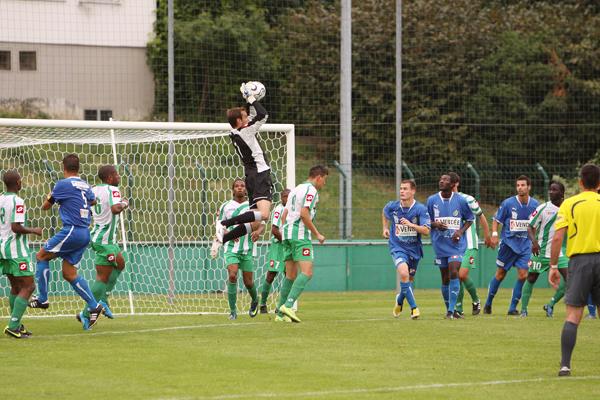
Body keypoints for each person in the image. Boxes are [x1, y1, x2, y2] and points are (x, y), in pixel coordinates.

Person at [28, 154, 105, 328]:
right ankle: (94, 306)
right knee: (69, 273)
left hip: (71, 230)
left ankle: (42, 299)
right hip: (85, 232)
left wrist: (58, 198)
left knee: (41, 256)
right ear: (79, 167)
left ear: (63, 166)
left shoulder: (62, 184)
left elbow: (45, 206)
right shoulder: (85, 184)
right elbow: (93, 201)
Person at [549, 164, 600, 377]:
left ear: (580, 182)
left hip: (579, 261)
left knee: (572, 315)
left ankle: (565, 366)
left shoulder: (569, 203)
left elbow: (558, 237)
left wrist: (553, 267)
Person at [210, 83, 272, 259]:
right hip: (260, 175)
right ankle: (225, 223)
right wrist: (251, 98)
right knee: (265, 214)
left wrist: (247, 100)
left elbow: (253, 115)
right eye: (244, 116)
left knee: (254, 223)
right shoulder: (246, 132)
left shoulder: (236, 131)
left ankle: (222, 239)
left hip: (251, 176)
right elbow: (262, 115)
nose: (247, 118)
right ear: (239, 121)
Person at [75, 165, 129, 329]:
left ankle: (103, 299)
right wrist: (125, 203)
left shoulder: (93, 190)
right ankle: (84, 314)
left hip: (104, 237)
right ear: (110, 177)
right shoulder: (113, 190)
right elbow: (115, 209)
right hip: (105, 240)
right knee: (102, 277)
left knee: (120, 264)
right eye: (117, 175)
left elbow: (88, 211)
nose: (119, 177)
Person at [276, 165, 328, 323]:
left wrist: (287, 232)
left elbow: (284, 215)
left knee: (290, 275)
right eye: (324, 180)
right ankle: (289, 305)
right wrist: (317, 234)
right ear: (318, 176)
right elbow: (304, 214)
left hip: (287, 235)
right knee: (307, 272)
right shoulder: (311, 190)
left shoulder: (295, 190)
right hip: (300, 236)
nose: (324, 184)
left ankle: (280, 314)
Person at [484, 175, 539, 316]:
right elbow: (496, 220)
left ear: (529, 187)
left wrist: (533, 241)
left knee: (523, 276)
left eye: (523, 185)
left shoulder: (535, 205)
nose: (520, 188)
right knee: (500, 275)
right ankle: (488, 304)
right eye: (518, 185)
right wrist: (495, 235)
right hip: (508, 245)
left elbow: (534, 226)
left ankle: (512, 309)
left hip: (525, 246)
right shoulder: (508, 203)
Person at [426, 174, 475, 319]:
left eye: (446, 180)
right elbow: (425, 220)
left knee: (454, 272)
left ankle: (451, 311)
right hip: (440, 245)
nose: (441, 181)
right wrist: (435, 224)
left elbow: (470, 219)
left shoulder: (460, 200)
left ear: (453, 184)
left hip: (456, 245)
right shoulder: (432, 200)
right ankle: (450, 309)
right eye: (441, 179)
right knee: (445, 278)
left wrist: (460, 231)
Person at [1, 171, 43, 338]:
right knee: (29, 286)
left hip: (2, 248)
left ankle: (16, 324)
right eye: (21, 181)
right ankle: (12, 325)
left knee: (16, 287)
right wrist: (34, 230)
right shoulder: (18, 201)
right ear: (18, 183)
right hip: (16, 250)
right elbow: (16, 227)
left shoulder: (0, 198)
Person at [383, 180, 430, 320]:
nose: (401, 191)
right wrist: (385, 228)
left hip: (414, 250)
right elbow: (385, 211)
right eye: (401, 188)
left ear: (413, 191)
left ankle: (399, 301)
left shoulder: (420, 209)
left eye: (405, 189)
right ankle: (414, 308)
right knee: (403, 274)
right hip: (397, 247)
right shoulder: (393, 206)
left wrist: (411, 225)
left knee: (408, 280)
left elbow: (426, 231)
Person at [519, 182, 568, 317]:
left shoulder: (568, 208)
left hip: (560, 252)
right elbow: (530, 226)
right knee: (531, 278)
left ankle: (550, 305)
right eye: (550, 190)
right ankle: (523, 310)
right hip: (540, 251)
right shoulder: (543, 208)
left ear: (562, 193)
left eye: (555, 190)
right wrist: (533, 241)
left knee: (570, 279)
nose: (551, 192)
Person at [217, 179, 263, 319]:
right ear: (232, 190)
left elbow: (260, 223)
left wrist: (258, 231)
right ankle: (233, 311)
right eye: (237, 186)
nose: (239, 188)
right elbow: (219, 225)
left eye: (242, 186)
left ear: (246, 189)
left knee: (248, 282)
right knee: (232, 275)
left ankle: (255, 300)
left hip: (248, 248)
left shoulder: (253, 206)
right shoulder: (225, 206)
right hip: (231, 247)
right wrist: (227, 234)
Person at [448, 172, 492, 316]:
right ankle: (458, 309)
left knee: (461, 274)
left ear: (456, 184)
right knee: (456, 276)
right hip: (454, 245)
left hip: (470, 243)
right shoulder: (444, 201)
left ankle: (475, 300)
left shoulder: (468, 199)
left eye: (450, 182)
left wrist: (488, 235)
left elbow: (481, 216)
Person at [258, 188, 291, 314]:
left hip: (288, 246)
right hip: (279, 245)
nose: (287, 198)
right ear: (282, 198)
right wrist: (286, 243)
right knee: (271, 275)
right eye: (285, 196)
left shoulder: (294, 209)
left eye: (289, 196)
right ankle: (263, 305)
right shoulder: (278, 209)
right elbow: (275, 230)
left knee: (289, 275)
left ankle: (283, 306)